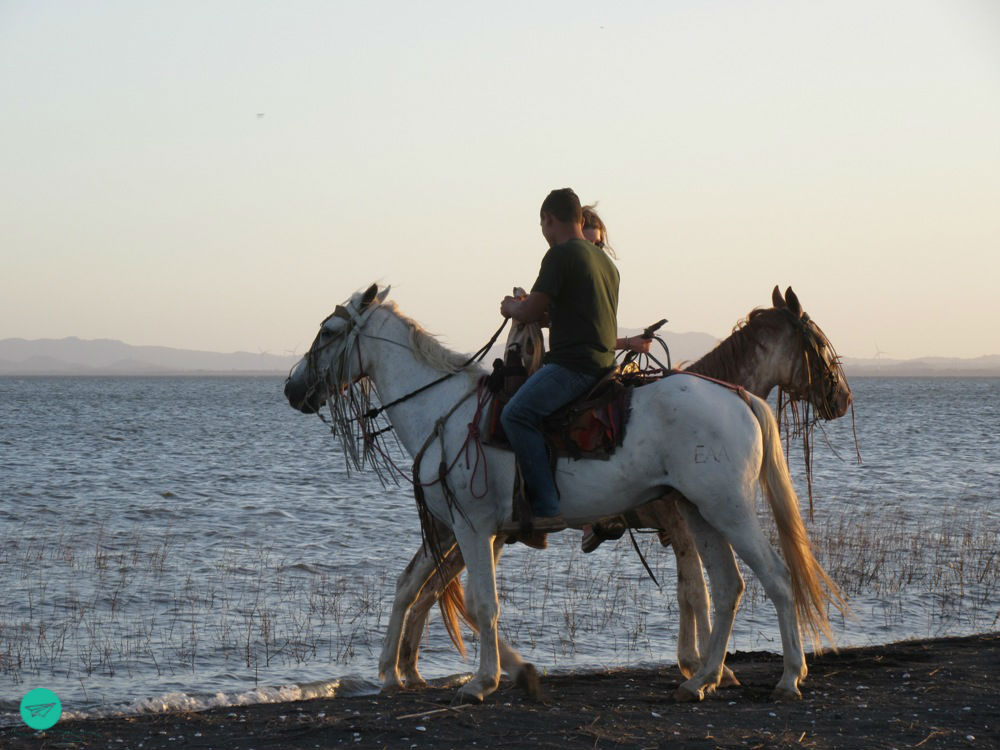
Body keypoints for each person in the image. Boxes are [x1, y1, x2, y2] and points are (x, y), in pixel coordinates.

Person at [499, 190, 647, 534]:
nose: (544, 232)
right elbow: (578, 315)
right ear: (581, 219)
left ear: (549, 219)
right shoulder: (605, 264)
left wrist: (511, 307)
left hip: (572, 367)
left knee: (516, 414)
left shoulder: (560, 256)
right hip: (603, 364)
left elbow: (531, 311)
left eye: (543, 224)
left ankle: (546, 508)